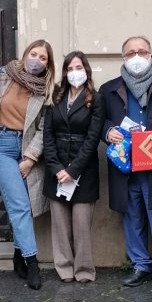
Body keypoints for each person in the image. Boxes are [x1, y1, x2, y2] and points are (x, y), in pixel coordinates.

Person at [99, 36, 152, 294]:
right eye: (131, 53)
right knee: (132, 217)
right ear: (123, 57)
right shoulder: (109, 88)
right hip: (126, 167)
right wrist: (109, 131)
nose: (137, 56)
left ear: (151, 54)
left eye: (142, 51)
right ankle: (140, 265)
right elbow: (99, 121)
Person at [0, 39, 55, 290]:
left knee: (27, 205)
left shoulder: (45, 90)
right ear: (25, 53)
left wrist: (30, 158)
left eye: (43, 58)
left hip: (26, 147)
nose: (36, 60)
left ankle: (18, 255)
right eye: (34, 54)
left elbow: (43, 128)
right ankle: (32, 262)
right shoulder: (1, 76)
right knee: (19, 204)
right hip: (0, 146)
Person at [43, 51, 104, 283]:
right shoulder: (56, 96)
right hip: (56, 168)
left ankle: (84, 271)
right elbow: (47, 134)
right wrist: (56, 167)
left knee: (81, 226)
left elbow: (93, 138)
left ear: (86, 70)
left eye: (79, 67)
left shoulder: (96, 99)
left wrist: (73, 170)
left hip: (83, 170)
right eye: (70, 68)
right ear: (65, 72)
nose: (74, 72)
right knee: (59, 226)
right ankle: (64, 268)